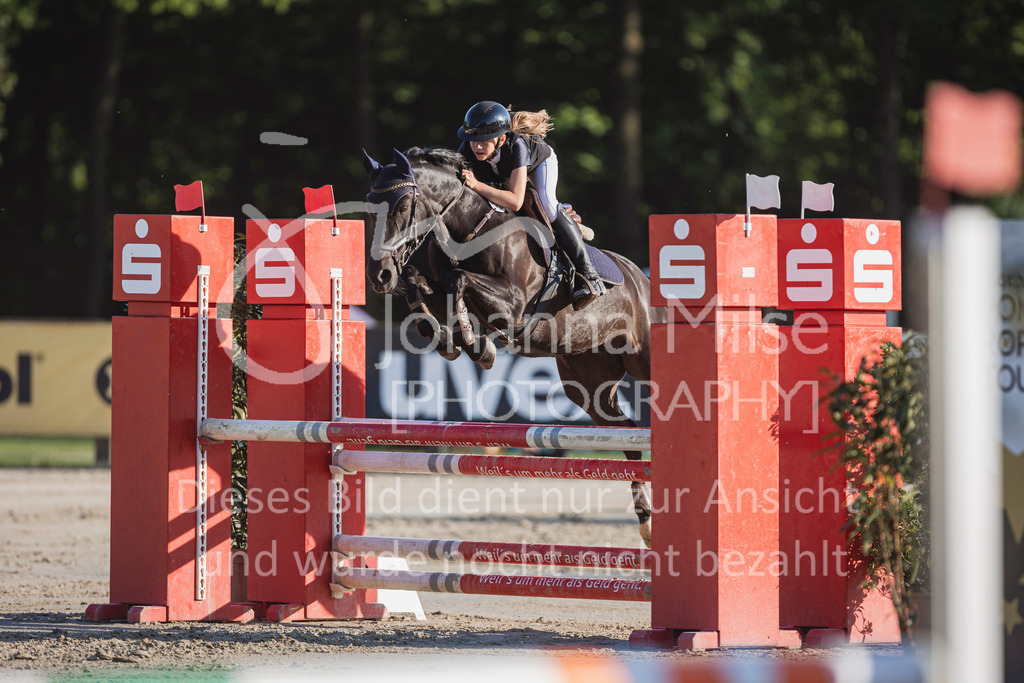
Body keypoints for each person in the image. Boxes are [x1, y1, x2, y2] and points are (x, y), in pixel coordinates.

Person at [456, 101, 605, 310]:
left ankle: (588, 274)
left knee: (546, 203)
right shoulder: (468, 148)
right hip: (502, 172)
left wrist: (478, 185)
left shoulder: (517, 145)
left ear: (501, 139)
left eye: (483, 141)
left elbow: (516, 201)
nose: (477, 146)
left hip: (538, 163)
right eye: (472, 140)